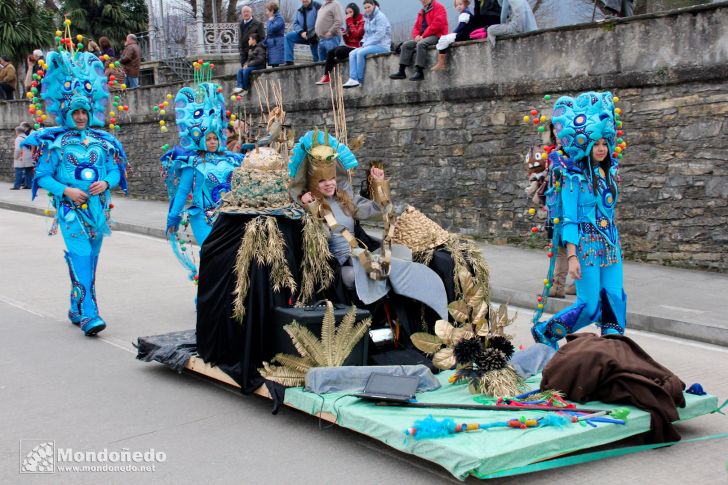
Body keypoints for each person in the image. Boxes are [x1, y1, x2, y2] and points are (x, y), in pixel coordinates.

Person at [21, 47, 128, 336]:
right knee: (81, 254)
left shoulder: (103, 141)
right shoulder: (55, 142)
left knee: (91, 259)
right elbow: (42, 176)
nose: (81, 117)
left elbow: (115, 171)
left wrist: (106, 183)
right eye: (76, 112)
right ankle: (90, 314)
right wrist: (67, 190)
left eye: (84, 111)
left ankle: (75, 305)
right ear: (67, 112)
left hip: (98, 210)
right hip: (70, 211)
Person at [289, 129, 449, 319]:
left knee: (400, 261)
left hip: (359, 257)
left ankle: (425, 314)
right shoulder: (303, 209)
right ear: (313, 182)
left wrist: (378, 184)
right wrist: (313, 210)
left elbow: (375, 209)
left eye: (332, 179)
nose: (329, 184)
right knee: (380, 273)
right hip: (334, 271)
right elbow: (323, 238)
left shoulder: (344, 198)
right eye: (322, 181)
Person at [531, 91, 626, 349]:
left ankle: (613, 352)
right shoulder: (573, 177)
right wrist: (572, 256)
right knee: (589, 305)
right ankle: (546, 331)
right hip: (586, 247)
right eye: (595, 144)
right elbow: (570, 219)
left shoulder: (610, 173)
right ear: (585, 145)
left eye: (604, 143)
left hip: (611, 246)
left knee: (614, 298)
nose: (601, 148)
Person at [161, 79, 245, 279]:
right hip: (203, 217)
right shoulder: (193, 163)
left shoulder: (232, 161)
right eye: (208, 138)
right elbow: (182, 192)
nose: (213, 142)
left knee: (232, 259)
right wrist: (173, 217)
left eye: (215, 137)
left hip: (229, 218)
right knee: (211, 254)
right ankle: (205, 300)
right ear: (200, 139)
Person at [389, 0, 448, 82]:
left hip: (437, 35)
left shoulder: (439, 7)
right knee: (406, 45)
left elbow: (437, 25)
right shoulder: (422, 11)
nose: (423, 1)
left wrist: (423, 36)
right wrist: (416, 36)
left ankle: (419, 72)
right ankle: (401, 71)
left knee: (421, 44)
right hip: (423, 36)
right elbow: (416, 27)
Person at [341, 0, 391, 89]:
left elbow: (380, 35)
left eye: (369, 7)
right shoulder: (367, 18)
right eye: (365, 8)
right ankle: (353, 79)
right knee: (352, 53)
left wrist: (366, 44)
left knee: (360, 53)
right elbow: (366, 34)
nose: (367, 9)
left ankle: (359, 80)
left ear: (374, 6)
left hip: (382, 45)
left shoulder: (380, 17)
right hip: (371, 44)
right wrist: (363, 42)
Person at [317, 2, 364, 85]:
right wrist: (345, 34)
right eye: (347, 13)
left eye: (350, 12)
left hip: (358, 47)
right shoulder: (350, 21)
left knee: (339, 52)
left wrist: (349, 20)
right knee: (330, 52)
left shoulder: (361, 20)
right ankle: (326, 76)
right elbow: (348, 41)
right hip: (350, 46)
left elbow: (357, 33)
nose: (348, 14)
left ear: (355, 11)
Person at [431, 0, 475, 72]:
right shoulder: (467, 12)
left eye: (460, 4)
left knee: (443, 39)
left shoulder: (465, 14)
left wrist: (453, 33)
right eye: (457, 5)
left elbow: (461, 27)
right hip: (466, 34)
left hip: (464, 35)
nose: (459, 7)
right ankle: (441, 62)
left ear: (466, 4)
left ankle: (441, 63)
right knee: (444, 38)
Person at [284, 0, 322, 65]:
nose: (304, 0)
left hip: (315, 36)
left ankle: (318, 64)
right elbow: (295, 23)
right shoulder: (299, 10)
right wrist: (301, 32)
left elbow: (320, 22)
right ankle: (289, 61)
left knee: (317, 60)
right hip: (302, 35)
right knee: (288, 36)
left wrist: (310, 34)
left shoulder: (317, 6)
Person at [12, 125, 34, 190]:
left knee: (19, 171)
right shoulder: (28, 137)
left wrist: (15, 157)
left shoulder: (18, 138)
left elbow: (18, 149)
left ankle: (17, 186)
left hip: (21, 157)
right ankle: (28, 185)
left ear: (17, 131)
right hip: (29, 156)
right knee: (28, 171)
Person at [264, 2, 286, 68]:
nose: (266, 13)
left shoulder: (279, 19)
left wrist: (270, 21)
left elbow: (271, 29)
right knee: (274, 65)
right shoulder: (274, 18)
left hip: (277, 44)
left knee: (276, 65)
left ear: (272, 10)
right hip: (273, 44)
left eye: (267, 11)